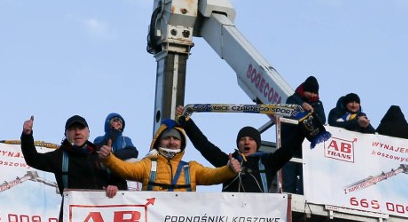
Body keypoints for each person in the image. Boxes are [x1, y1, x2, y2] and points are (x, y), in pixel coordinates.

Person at [175, 106, 307, 193]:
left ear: (257, 144)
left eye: (251, 139)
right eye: (243, 139)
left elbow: (290, 148)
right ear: (238, 144)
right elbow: (204, 146)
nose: (247, 142)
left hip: (257, 219)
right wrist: (187, 123)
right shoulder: (228, 162)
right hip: (230, 219)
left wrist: (305, 123)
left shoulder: (268, 162)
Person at [97, 119, 240, 191]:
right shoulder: (148, 164)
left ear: (182, 143)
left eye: (176, 139)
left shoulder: (191, 168)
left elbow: (214, 175)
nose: (172, 142)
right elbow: (125, 169)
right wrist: (109, 158)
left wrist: (229, 170)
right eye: (167, 138)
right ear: (159, 141)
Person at [20, 115, 126, 196]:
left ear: (88, 132)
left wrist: (115, 187)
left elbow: (121, 183)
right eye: (72, 129)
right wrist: (27, 135)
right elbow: (33, 159)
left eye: (81, 128)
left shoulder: (101, 155)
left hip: (103, 219)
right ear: (65, 134)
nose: (77, 132)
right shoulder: (60, 157)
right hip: (72, 220)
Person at [283, 75, 327, 194]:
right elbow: (286, 114)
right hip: (290, 145)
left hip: (307, 147)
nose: (312, 95)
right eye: (310, 92)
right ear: (304, 90)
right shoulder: (293, 99)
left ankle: (305, 197)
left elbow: (322, 120)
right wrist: (300, 108)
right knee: (289, 178)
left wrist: (313, 114)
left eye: (314, 93)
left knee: (306, 179)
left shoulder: (318, 104)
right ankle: (289, 199)